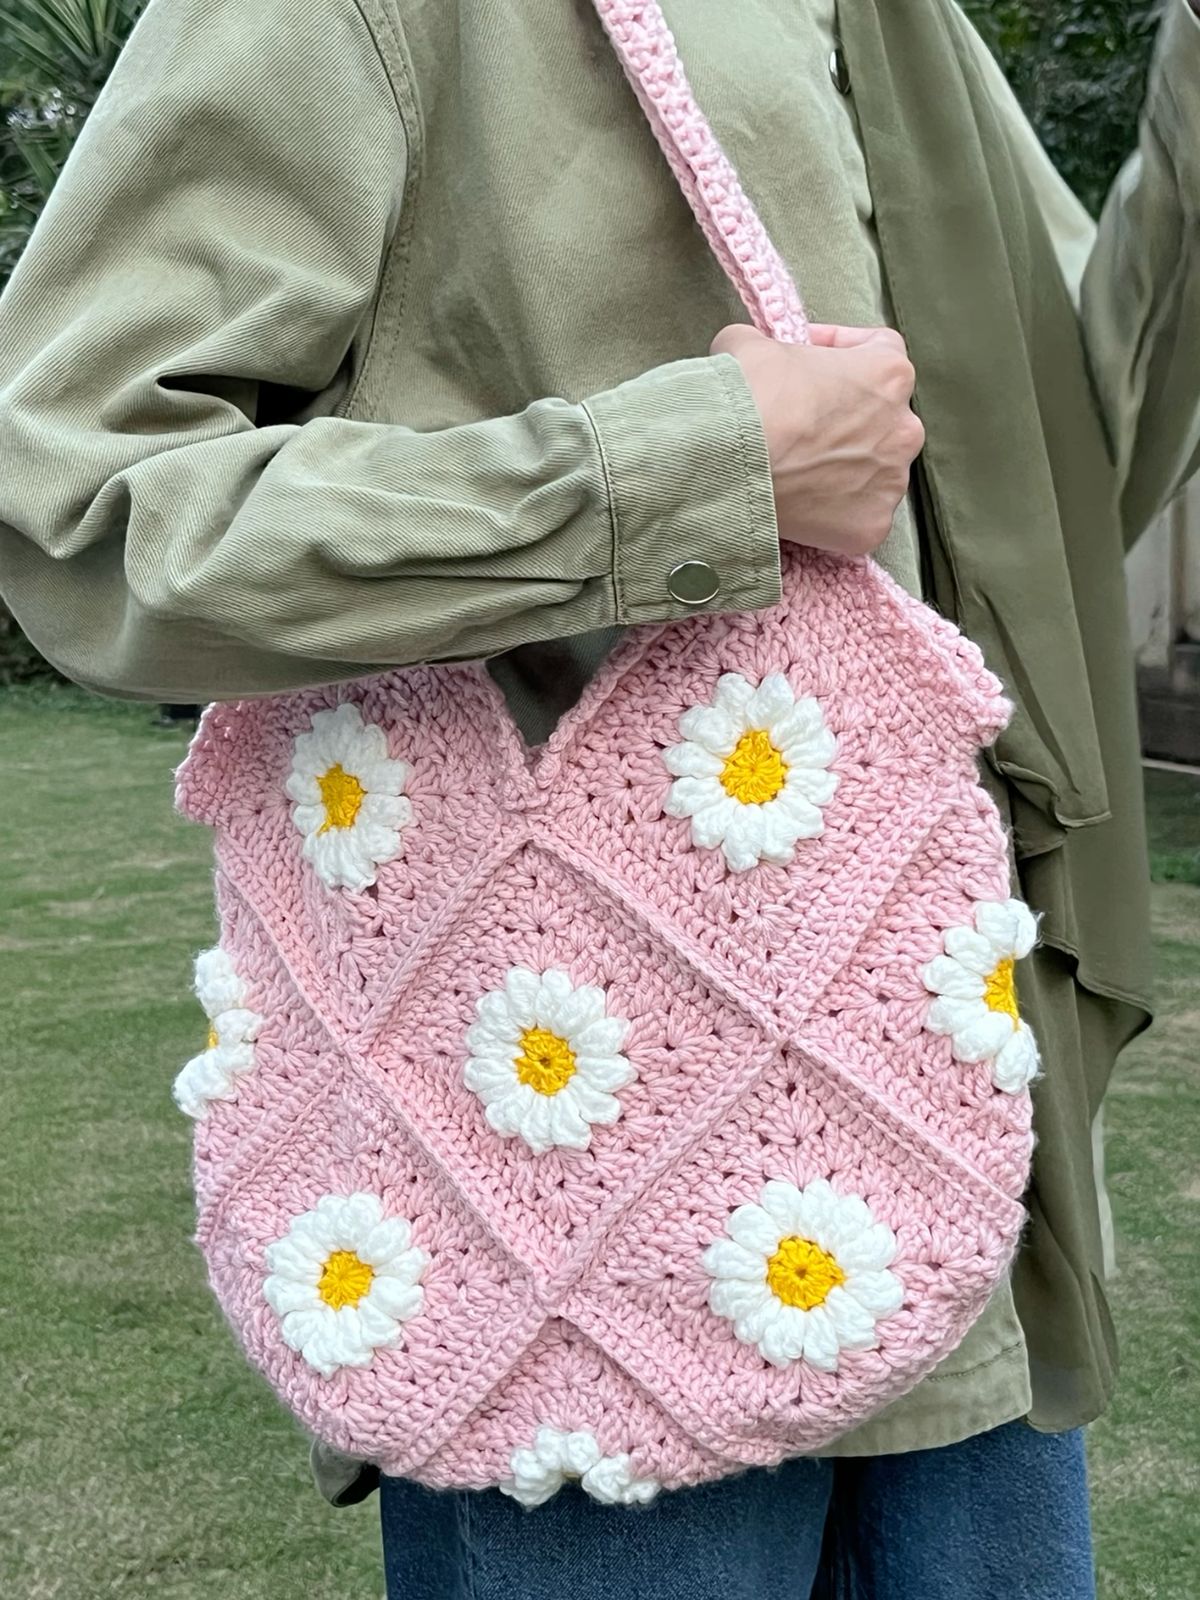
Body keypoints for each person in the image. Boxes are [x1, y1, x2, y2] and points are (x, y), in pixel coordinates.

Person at [0, 1, 1196, 1595]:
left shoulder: (896, 21)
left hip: (962, 1158)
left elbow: (1049, 484)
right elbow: (76, 500)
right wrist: (694, 472)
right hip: (580, 1203)